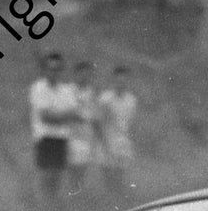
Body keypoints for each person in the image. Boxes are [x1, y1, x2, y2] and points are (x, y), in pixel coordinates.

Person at [28, 53, 78, 201]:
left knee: (57, 175)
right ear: (45, 70)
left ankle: (53, 207)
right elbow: (45, 117)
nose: (54, 72)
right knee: (45, 175)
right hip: (45, 137)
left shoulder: (67, 90)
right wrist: (63, 115)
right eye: (51, 69)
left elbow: (73, 113)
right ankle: (42, 207)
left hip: (61, 138)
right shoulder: (38, 88)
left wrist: (58, 115)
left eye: (57, 69)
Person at [97, 65, 139, 201]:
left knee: (120, 176)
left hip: (124, 141)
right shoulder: (105, 99)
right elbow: (100, 122)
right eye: (118, 80)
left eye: (124, 80)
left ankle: (117, 200)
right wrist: (105, 143)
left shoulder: (131, 100)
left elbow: (132, 123)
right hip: (108, 140)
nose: (121, 83)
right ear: (113, 80)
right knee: (108, 175)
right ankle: (108, 200)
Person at [65, 60, 102, 197]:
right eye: (82, 73)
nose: (84, 77)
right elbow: (68, 111)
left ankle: (78, 195)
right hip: (70, 135)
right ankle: (71, 194)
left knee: (82, 168)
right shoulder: (68, 90)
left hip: (86, 136)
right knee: (72, 168)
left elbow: (95, 115)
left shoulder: (91, 92)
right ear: (76, 74)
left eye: (88, 74)